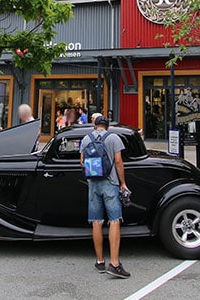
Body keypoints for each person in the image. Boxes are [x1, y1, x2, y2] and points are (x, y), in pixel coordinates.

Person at [79, 116, 130, 278]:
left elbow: (81, 162)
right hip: (111, 182)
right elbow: (118, 161)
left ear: (95, 126)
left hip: (93, 184)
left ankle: (100, 261)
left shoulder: (86, 138)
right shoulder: (114, 138)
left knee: (96, 221)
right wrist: (123, 183)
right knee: (114, 220)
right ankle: (114, 263)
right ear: (107, 126)